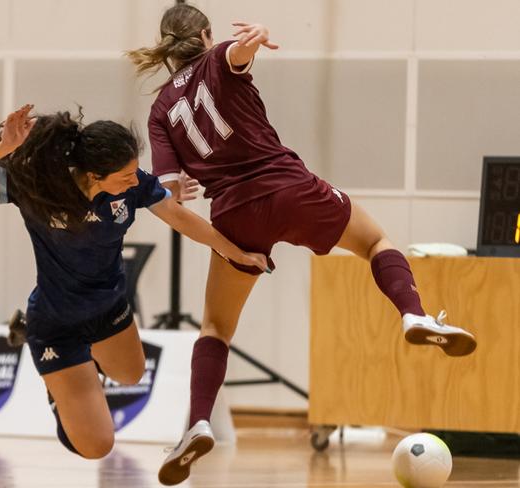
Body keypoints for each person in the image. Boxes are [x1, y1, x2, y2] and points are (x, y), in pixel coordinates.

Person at [127, 4, 477, 485]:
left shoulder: (161, 108)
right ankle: (413, 314)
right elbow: (239, 51)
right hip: (289, 189)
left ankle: (198, 422)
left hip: (232, 215)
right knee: (375, 240)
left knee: (216, 327)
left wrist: (185, 197)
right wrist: (258, 35)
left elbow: (169, 192)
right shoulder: (219, 57)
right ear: (205, 34)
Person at [0, 104, 268, 460]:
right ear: (93, 175)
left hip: (108, 307)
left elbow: (179, 217)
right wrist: (3, 149)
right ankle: (57, 390)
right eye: (126, 175)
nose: (135, 181)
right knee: (96, 447)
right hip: (56, 322)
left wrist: (235, 252)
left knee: (132, 374)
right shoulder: (40, 186)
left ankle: (80, 371)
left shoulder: (132, 188)